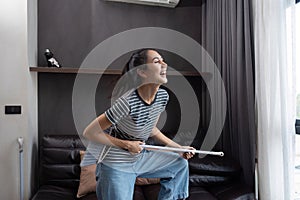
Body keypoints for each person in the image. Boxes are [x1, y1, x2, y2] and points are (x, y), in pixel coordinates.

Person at [83, 49, 195, 200]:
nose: (164, 64)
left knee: (179, 163)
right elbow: (90, 132)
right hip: (116, 163)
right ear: (142, 72)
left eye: (163, 60)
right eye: (156, 61)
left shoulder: (162, 96)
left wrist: (178, 148)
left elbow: (150, 129)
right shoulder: (126, 102)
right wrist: (127, 145)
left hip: (140, 158)